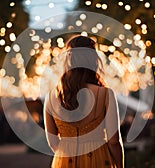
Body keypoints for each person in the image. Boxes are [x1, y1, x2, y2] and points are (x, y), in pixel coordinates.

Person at [44, 35, 124, 168]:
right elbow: (114, 141)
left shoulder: (52, 96)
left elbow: (52, 142)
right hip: (98, 159)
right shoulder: (105, 94)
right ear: (94, 60)